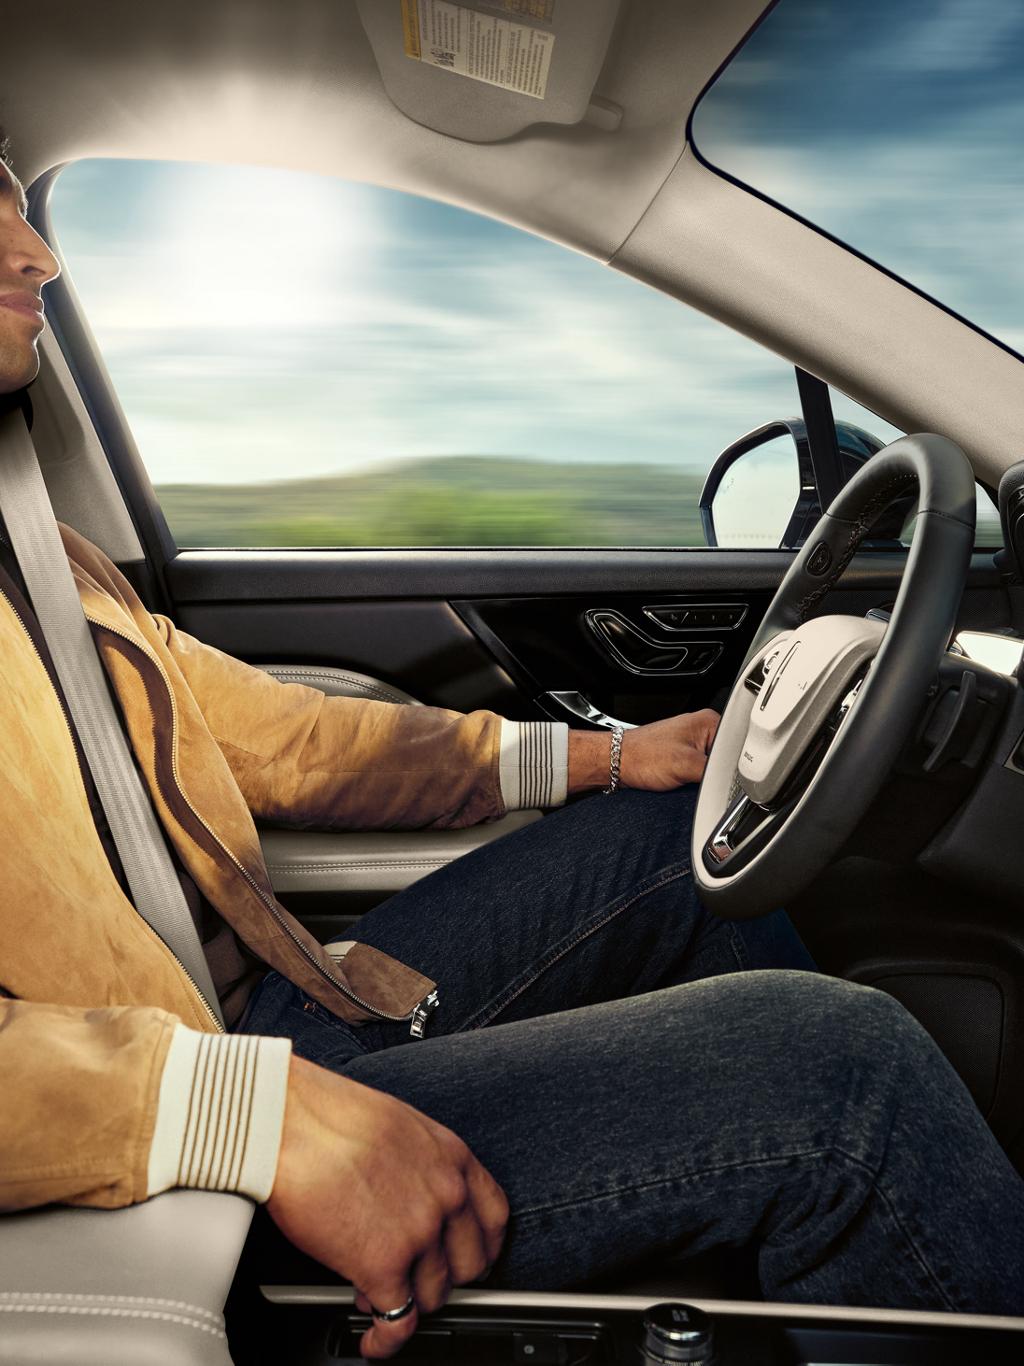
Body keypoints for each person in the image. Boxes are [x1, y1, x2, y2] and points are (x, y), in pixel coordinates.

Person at [1, 142, 1022, 1360]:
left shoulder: (44, 555)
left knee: (664, 835)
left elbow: (273, 733)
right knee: (847, 1083)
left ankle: (740, 1230)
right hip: (156, 1168)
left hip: (251, 1012)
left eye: (24, 213)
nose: (41, 257)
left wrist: (594, 758)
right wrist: (233, 1111)